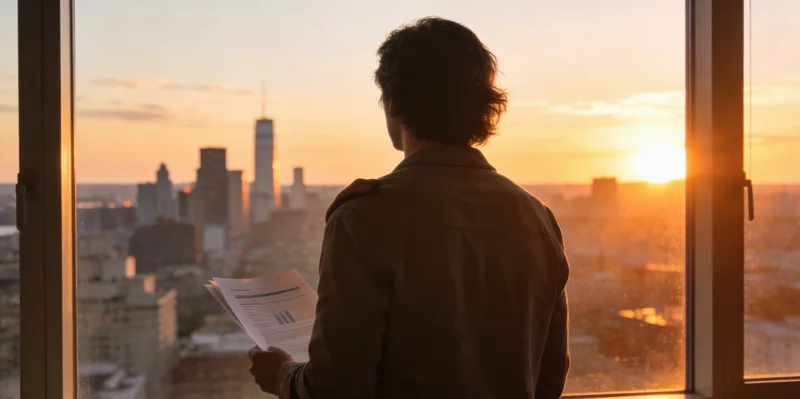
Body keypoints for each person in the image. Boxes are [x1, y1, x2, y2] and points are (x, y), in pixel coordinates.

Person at [249, 16, 570, 399]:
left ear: (394, 102)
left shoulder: (363, 218)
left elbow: (337, 387)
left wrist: (282, 375)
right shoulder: (536, 218)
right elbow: (550, 376)